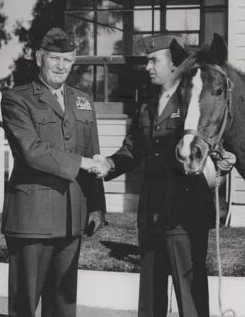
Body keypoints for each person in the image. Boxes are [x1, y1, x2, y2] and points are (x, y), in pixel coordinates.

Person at [93, 34, 226, 317]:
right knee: (150, 299)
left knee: (191, 299)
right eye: (147, 61)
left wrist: (219, 165)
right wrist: (109, 164)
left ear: (175, 64)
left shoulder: (193, 100)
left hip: (185, 216)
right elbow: (133, 148)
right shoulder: (147, 101)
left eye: (154, 61)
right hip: (151, 214)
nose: (148, 67)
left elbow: (211, 143)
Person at [0, 27, 107, 317]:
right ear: (39, 58)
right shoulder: (17, 99)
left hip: (71, 218)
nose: (61, 66)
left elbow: (93, 154)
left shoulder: (83, 100)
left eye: (67, 59)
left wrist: (96, 206)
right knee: (25, 304)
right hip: (32, 218)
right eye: (54, 58)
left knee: (63, 306)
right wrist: (81, 162)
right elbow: (31, 151)